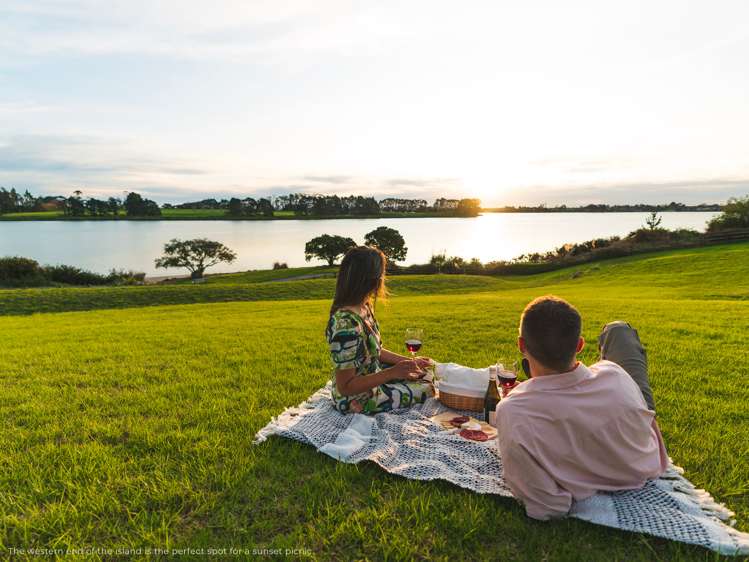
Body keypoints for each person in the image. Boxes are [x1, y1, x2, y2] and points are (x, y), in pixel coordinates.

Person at [495, 295, 668, 520]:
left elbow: (547, 506)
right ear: (579, 345)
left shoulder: (512, 411)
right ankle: (556, 370)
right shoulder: (614, 372)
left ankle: (545, 373)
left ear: (521, 345)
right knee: (618, 329)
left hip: (557, 407)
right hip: (644, 460)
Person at [326, 246, 434, 414]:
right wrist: (392, 373)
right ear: (373, 280)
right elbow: (345, 387)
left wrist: (408, 362)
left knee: (428, 373)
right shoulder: (345, 325)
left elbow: (376, 351)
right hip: (358, 398)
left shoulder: (364, 306)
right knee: (429, 388)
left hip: (375, 377)